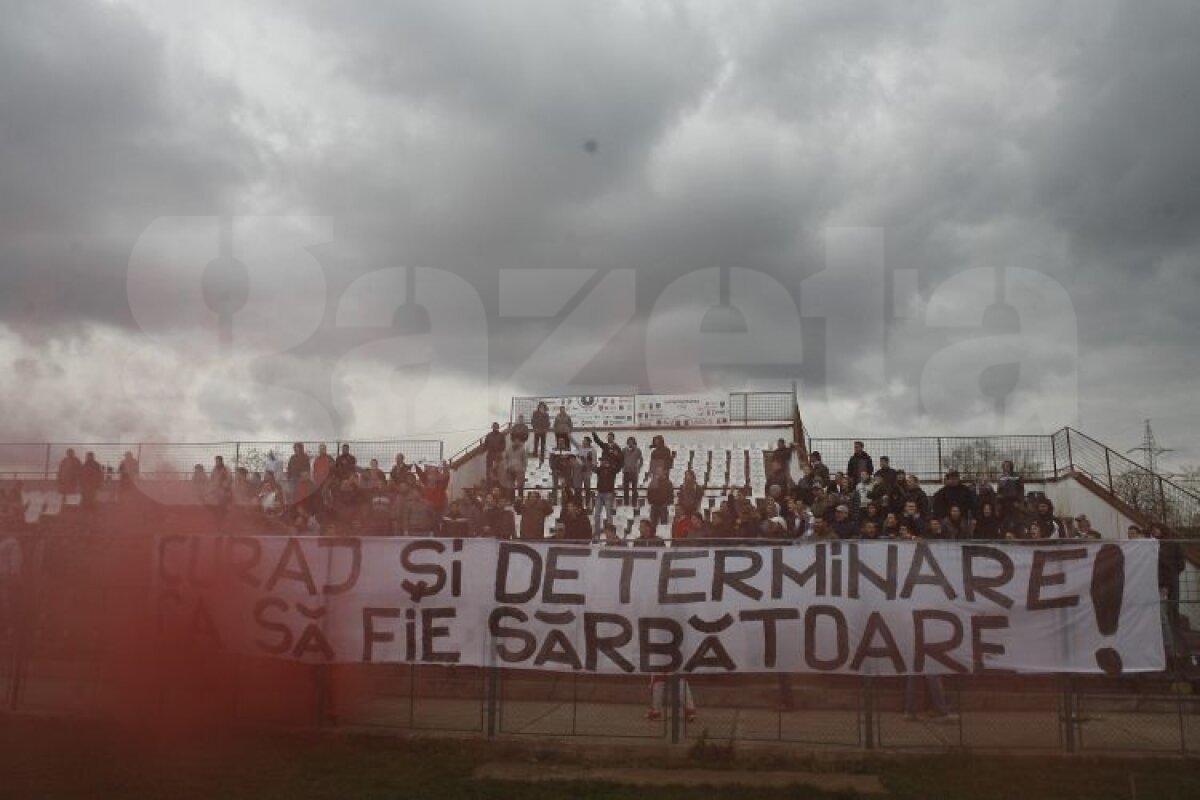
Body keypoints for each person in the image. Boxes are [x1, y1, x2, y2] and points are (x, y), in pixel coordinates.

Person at [592, 451, 619, 535]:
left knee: (608, 514)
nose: (602, 462)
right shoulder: (600, 469)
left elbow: (618, 466)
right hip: (600, 493)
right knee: (596, 513)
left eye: (604, 460)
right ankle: (596, 531)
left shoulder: (612, 469)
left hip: (608, 493)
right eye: (602, 461)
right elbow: (593, 468)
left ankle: (610, 531)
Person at [646, 466, 674, 530]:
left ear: (663, 472)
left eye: (659, 471)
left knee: (663, 524)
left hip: (663, 507)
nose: (658, 473)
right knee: (652, 524)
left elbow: (671, 496)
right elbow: (649, 493)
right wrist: (651, 502)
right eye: (657, 472)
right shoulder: (653, 482)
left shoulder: (668, 483)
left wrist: (666, 504)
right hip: (654, 506)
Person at [621, 436, 643, 506]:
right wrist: (622, 467)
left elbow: (641, 460)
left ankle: (634, 504)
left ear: (634, 442)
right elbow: (620, 459)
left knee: (634, 490)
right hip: (626, 472)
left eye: (632, 442)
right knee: (625, 490)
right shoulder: (624, 450)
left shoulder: (638, 450)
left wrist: (639, 468)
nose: (630, 443)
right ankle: (626, 504)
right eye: (629, 442)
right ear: (627, 443)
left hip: (634, 472)